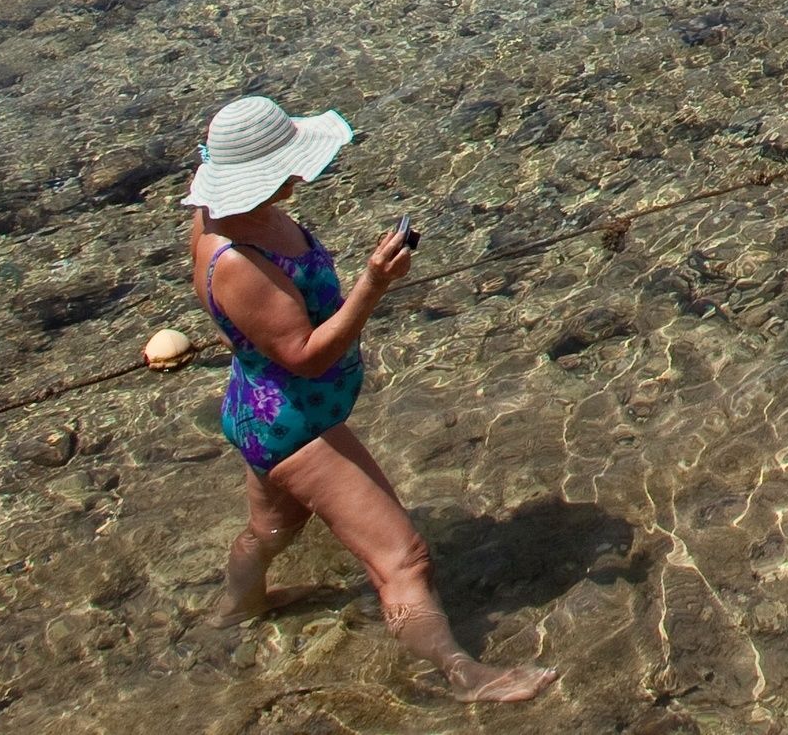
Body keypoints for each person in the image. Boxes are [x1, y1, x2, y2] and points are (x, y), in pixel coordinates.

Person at [184, 96, 556, 702]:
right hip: (295, 425)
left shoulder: (215, 214)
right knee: (403, 559)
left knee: (271, 530)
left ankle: (234, 609)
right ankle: (463, 676)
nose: (302, 172)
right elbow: (305, 355)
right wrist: (374, 284)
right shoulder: (238, 263)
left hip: (256, 408)